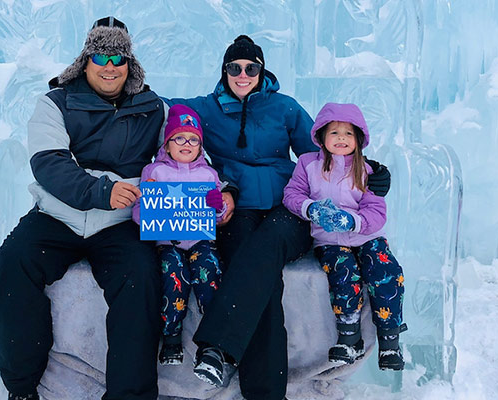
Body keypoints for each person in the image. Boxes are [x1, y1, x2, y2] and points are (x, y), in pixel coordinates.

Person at [165, 36, 391, 399]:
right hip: (235, 208)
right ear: (224, 72)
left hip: (287, 206)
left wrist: (371, 172)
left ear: (261, 70)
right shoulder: (205, 109)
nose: (243, 74)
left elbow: (325, 151)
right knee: (257, 270)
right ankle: (265, 391)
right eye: (235, 68)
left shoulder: (284, 107)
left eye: (250, 68)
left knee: (264, 250)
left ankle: (216, 349)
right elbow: (162, 110)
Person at [0, 17, 165, 400]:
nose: (109, 66)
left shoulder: (155, 109)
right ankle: (21, 387)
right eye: (101, 55)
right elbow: (49, 163)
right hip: (59, 215)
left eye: (118, 58)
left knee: (141, 278)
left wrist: (218, 192)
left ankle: (129, 395)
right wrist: (102, 191)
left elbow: (183, 157)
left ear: (129, 65)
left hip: (120, 221)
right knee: (14, 264)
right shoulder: (56, 102)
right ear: (85, 60)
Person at [283, 102, 407, 371]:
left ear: (359, 139)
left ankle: (390, 340)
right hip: (330, 239)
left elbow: (376, 211)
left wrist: (353, 220)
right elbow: (292, 195)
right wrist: (311, 208)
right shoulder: (307, 164)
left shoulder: (368, 170)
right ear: (321, 137)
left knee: (385, 271)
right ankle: (349, 337)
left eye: (349, 134)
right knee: (343, 272)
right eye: (335, 133)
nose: (341, 139)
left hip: (366, 236)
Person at [132, 104, 227, 366]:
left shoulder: (208, 174)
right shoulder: (154, 172)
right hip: (168, 243)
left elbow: (217, 218)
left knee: (209, 274)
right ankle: (171, 336)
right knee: (172, 278)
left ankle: (211, 340)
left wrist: (219, 206)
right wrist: (149, 202)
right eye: (180, 138)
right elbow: (139, 215)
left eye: (194, 139)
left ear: (200, 146)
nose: (187, 143)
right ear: (167, 143)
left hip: (200, 240)